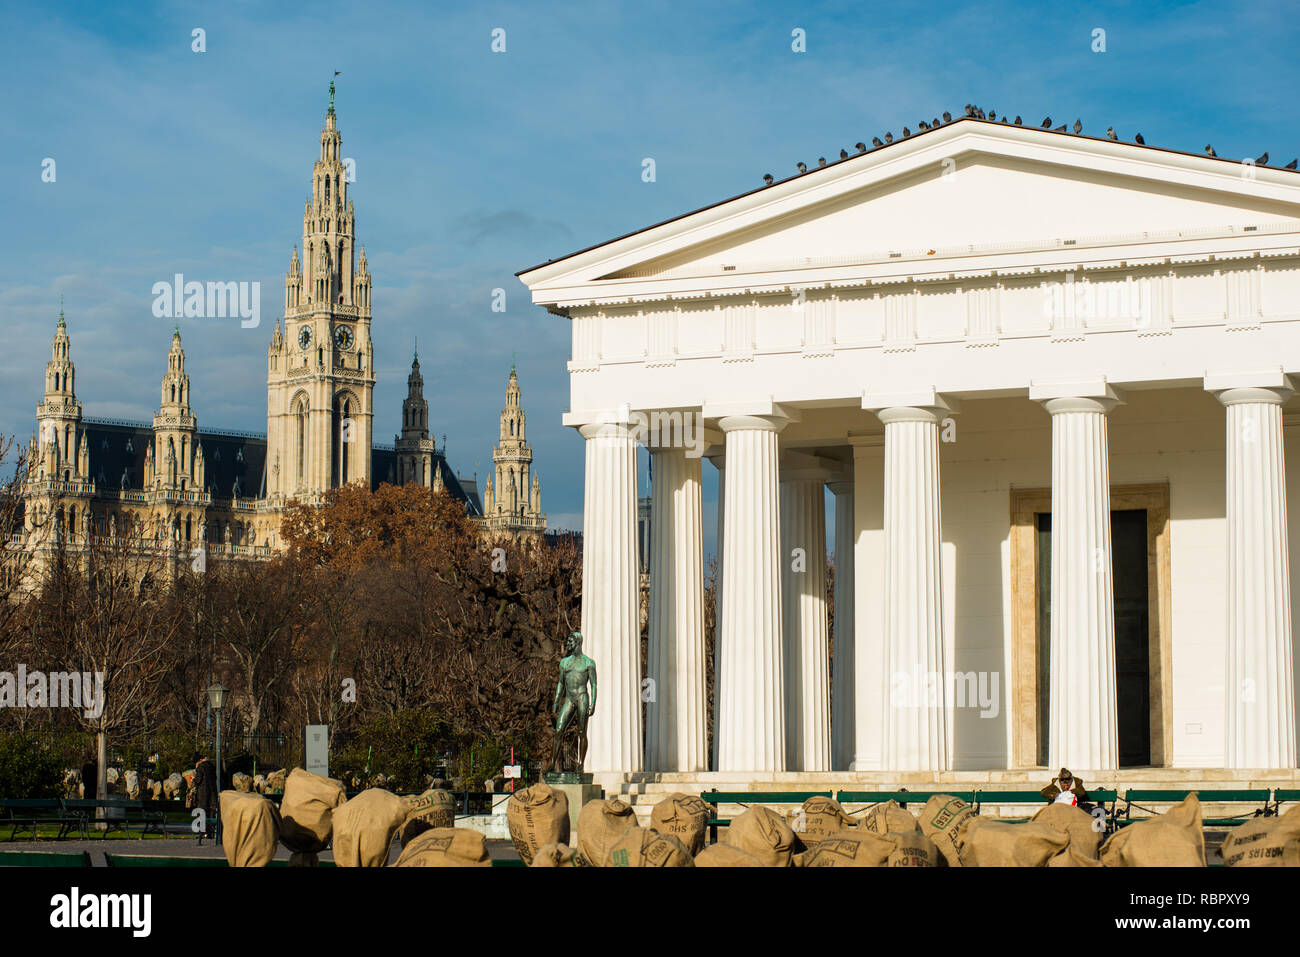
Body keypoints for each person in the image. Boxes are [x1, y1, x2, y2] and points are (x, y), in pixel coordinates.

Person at [192, 752, 218, 845]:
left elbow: (198, 780)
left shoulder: (201, 767)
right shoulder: (212, 766)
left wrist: (193, 780)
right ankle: (210, 833)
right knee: (211, 812)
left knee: (202, 812)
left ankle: (202, 833)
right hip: (212, 792)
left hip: (203, 793)